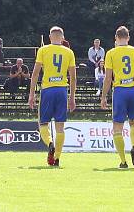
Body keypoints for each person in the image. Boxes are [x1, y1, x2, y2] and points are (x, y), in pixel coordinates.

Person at [100, 26, 134, 168]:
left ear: (116, 38)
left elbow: (107, 78)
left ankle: (123, 161)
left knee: (117, 127)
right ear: (128, 38)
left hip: (120, 91)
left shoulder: (111, 53)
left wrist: (103, 96)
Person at [28, 26, 76, 167]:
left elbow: (35, 74)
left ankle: (50, 143)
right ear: (62, 37)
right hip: (62, 90)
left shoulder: (43, 50)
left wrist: (31, 94)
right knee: (60, 127)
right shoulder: (69, 52)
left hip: (47, 90)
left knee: (43, 123)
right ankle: (57, 158)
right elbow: (73, 77)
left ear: (50, 37)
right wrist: (72, 97)